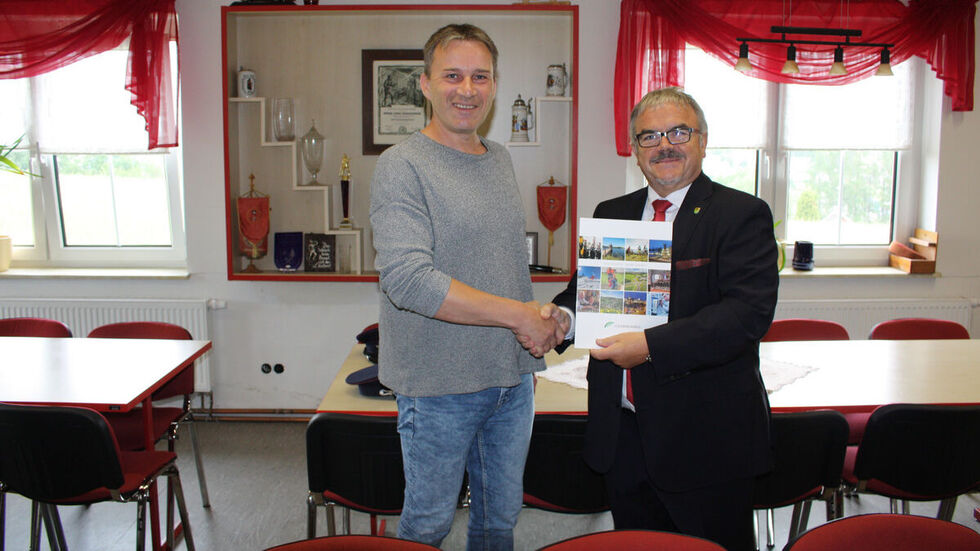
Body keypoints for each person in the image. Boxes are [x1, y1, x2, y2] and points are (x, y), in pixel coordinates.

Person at [545, 87, 778, 551]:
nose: (663, 145)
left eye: (678, 131)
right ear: (634, 150)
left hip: (705, 442)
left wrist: (649, 346)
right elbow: (589, 294)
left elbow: (745, 316)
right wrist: (562, 318)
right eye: (648, 136)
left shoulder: (741, 214)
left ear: (703, 140)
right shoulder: (613, 214)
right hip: (623, 435)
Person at [369, 23, 565, 550]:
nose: (468, 89)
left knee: (499, 523)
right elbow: (408, 280)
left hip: (511, 380)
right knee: (428, 526)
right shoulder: (401, 165)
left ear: (496, 86)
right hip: (437, 386)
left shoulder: (499, 158)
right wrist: (518, 315)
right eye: (452, 75)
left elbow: (502, 268)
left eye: (481, 76)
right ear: (426, 84)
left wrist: (542, 317)